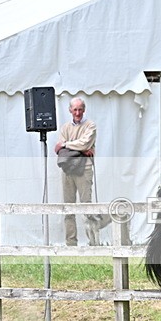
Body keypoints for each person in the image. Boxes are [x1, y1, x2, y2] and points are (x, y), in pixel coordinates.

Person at [55, 97, 96, 246]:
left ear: (84, 110)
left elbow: (84, 143)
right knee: (68, 207)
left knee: (87, 207)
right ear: (70, 110)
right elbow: (63, 151)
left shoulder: (90, 125)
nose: (77, 113)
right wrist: (81, 149)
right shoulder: (65, 127)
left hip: (84, 169)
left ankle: (93, 243)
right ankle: (70, 243)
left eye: (80, 109)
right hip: (68, 170)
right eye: (75, 109)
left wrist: (66, 145)